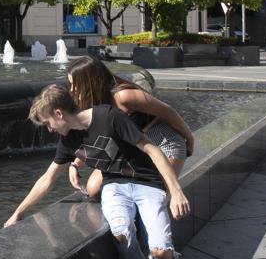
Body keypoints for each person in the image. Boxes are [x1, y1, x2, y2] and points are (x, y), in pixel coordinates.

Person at [5, 84, 199, 259]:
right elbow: (47, 179)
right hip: (114, 187)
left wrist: (176, 191)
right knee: (120, 233)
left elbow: (152, 149)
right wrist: (18, 214)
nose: (49, 129)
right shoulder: (68, 140)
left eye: (47, 123)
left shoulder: (109, 116)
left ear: (59, 114)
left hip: (148, 183)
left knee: (161, 249)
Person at [66, 56, 195, 197]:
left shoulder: (123, 96)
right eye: (70, 84)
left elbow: (168, 111)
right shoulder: (92, 103)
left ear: (89, 83)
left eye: (74, 84)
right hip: (132, 149)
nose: (71, 90)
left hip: (162, 143)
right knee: (93, 189)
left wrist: (189, 139)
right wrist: (76, 163)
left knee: (154, 193)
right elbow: (98, 138)